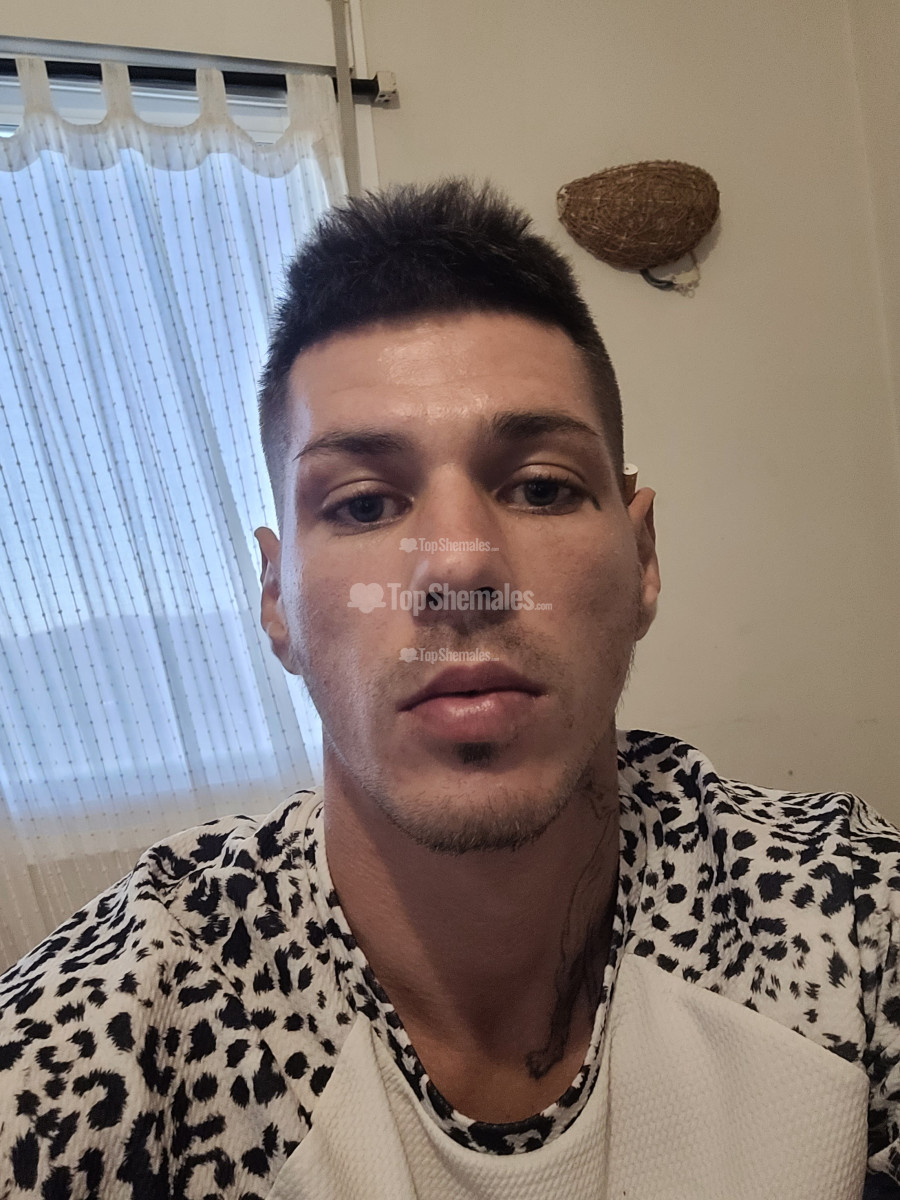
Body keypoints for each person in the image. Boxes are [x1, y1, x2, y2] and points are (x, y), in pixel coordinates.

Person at [0, 178, 898, 1200]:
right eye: (364, 503)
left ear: (642, 559)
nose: (461, 563)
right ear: (276, 600)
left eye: (542, 488)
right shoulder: (111, 1040)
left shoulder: (847, 920)